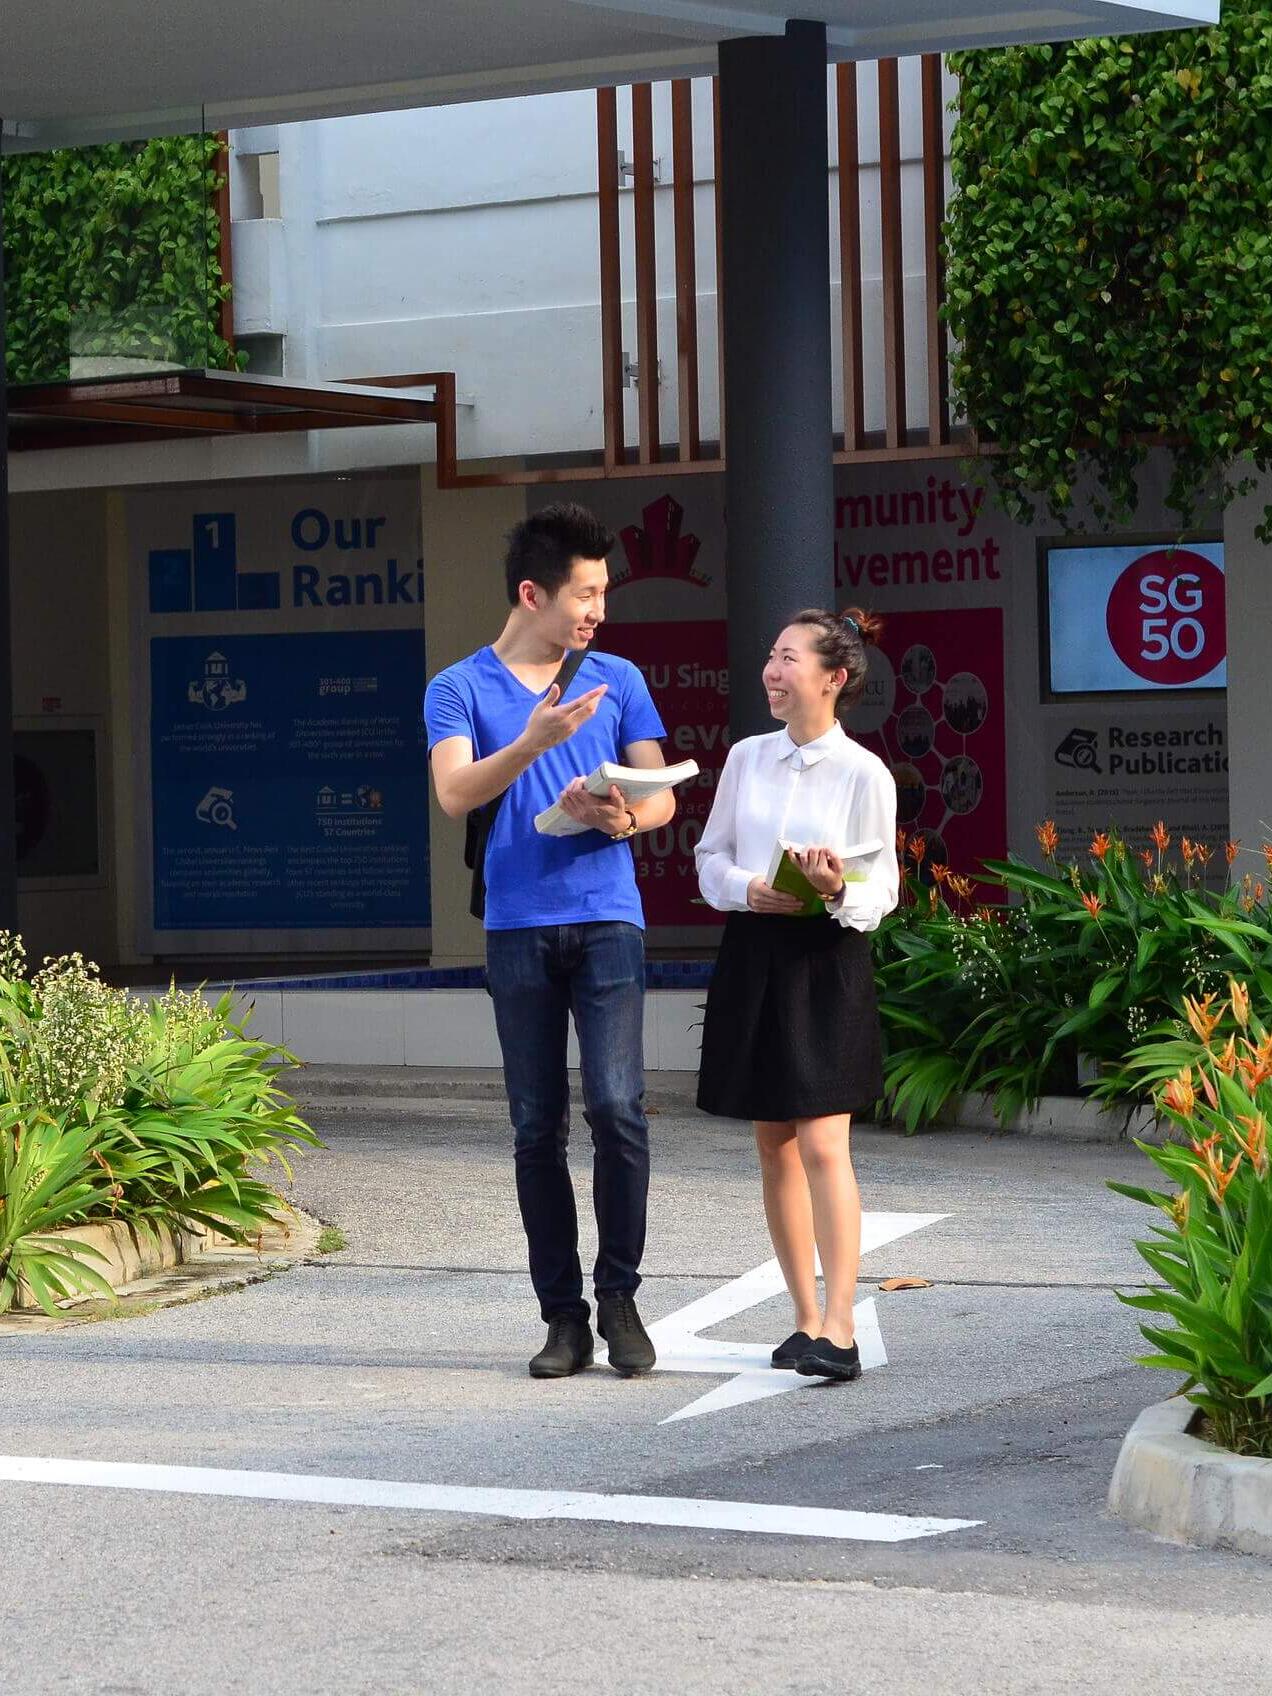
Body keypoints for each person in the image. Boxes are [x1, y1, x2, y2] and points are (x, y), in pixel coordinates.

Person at [424, 503, 675, 1380]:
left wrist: (619, 814)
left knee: (618, 1108)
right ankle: (562, 1318)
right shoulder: (457, 687)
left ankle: (620, 1297)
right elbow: (455, 794)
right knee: (537, 1127)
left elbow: (663, 796)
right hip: (518, 924)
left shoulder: (617, 676)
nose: (597, 609)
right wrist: (534, 741)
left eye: (604, 591)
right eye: (584, 592)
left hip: (609, 915)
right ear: (533, 593)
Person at [694, 607, 898, 1383]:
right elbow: (709, 858)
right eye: (771, 656)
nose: (773, 671)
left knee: (822, 1142)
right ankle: (804, 1318)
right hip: (756, 949)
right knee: (773, 1143)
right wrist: (750, 886)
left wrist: (834, 884)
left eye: (789, 659)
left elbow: (883, 892)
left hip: (827, 957)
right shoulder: (746, 757)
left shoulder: (864, 772)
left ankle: (840, 1326)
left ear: (833, 679)